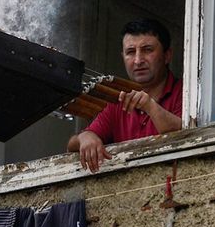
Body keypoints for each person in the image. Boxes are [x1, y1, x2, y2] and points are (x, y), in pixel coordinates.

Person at [67, 19, 182, 173]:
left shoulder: (187, 91)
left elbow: (184, 133)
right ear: (123, 57)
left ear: (167, 55)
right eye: (130, 52)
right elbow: (71, 145)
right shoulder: (118, 100)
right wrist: (85, 137)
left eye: (147, 50)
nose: (138, 60)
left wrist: (150, 106)